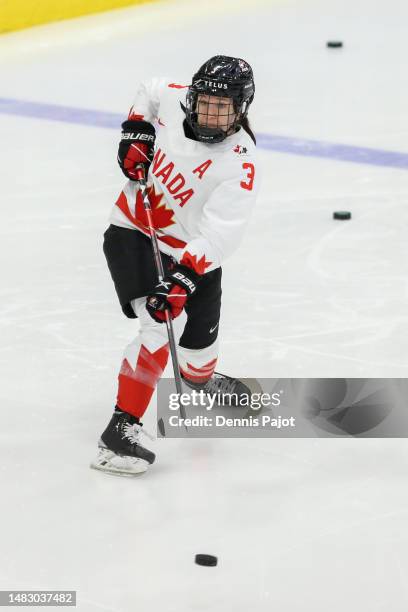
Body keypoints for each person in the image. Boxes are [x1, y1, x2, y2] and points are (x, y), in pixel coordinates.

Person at [90, 55, 260, 476]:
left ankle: (199, 381)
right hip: (135, 231)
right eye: (205, 101)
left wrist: (184, 278)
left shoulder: (240, 162)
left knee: (198, 354)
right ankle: (120, 431)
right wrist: (136, 131)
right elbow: (149, 89)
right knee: (158, 326)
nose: (212, 112)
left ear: (241, 109)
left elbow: (221, 234)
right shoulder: (171, 99)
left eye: (224, 106)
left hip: (191, 254)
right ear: (192, 96)